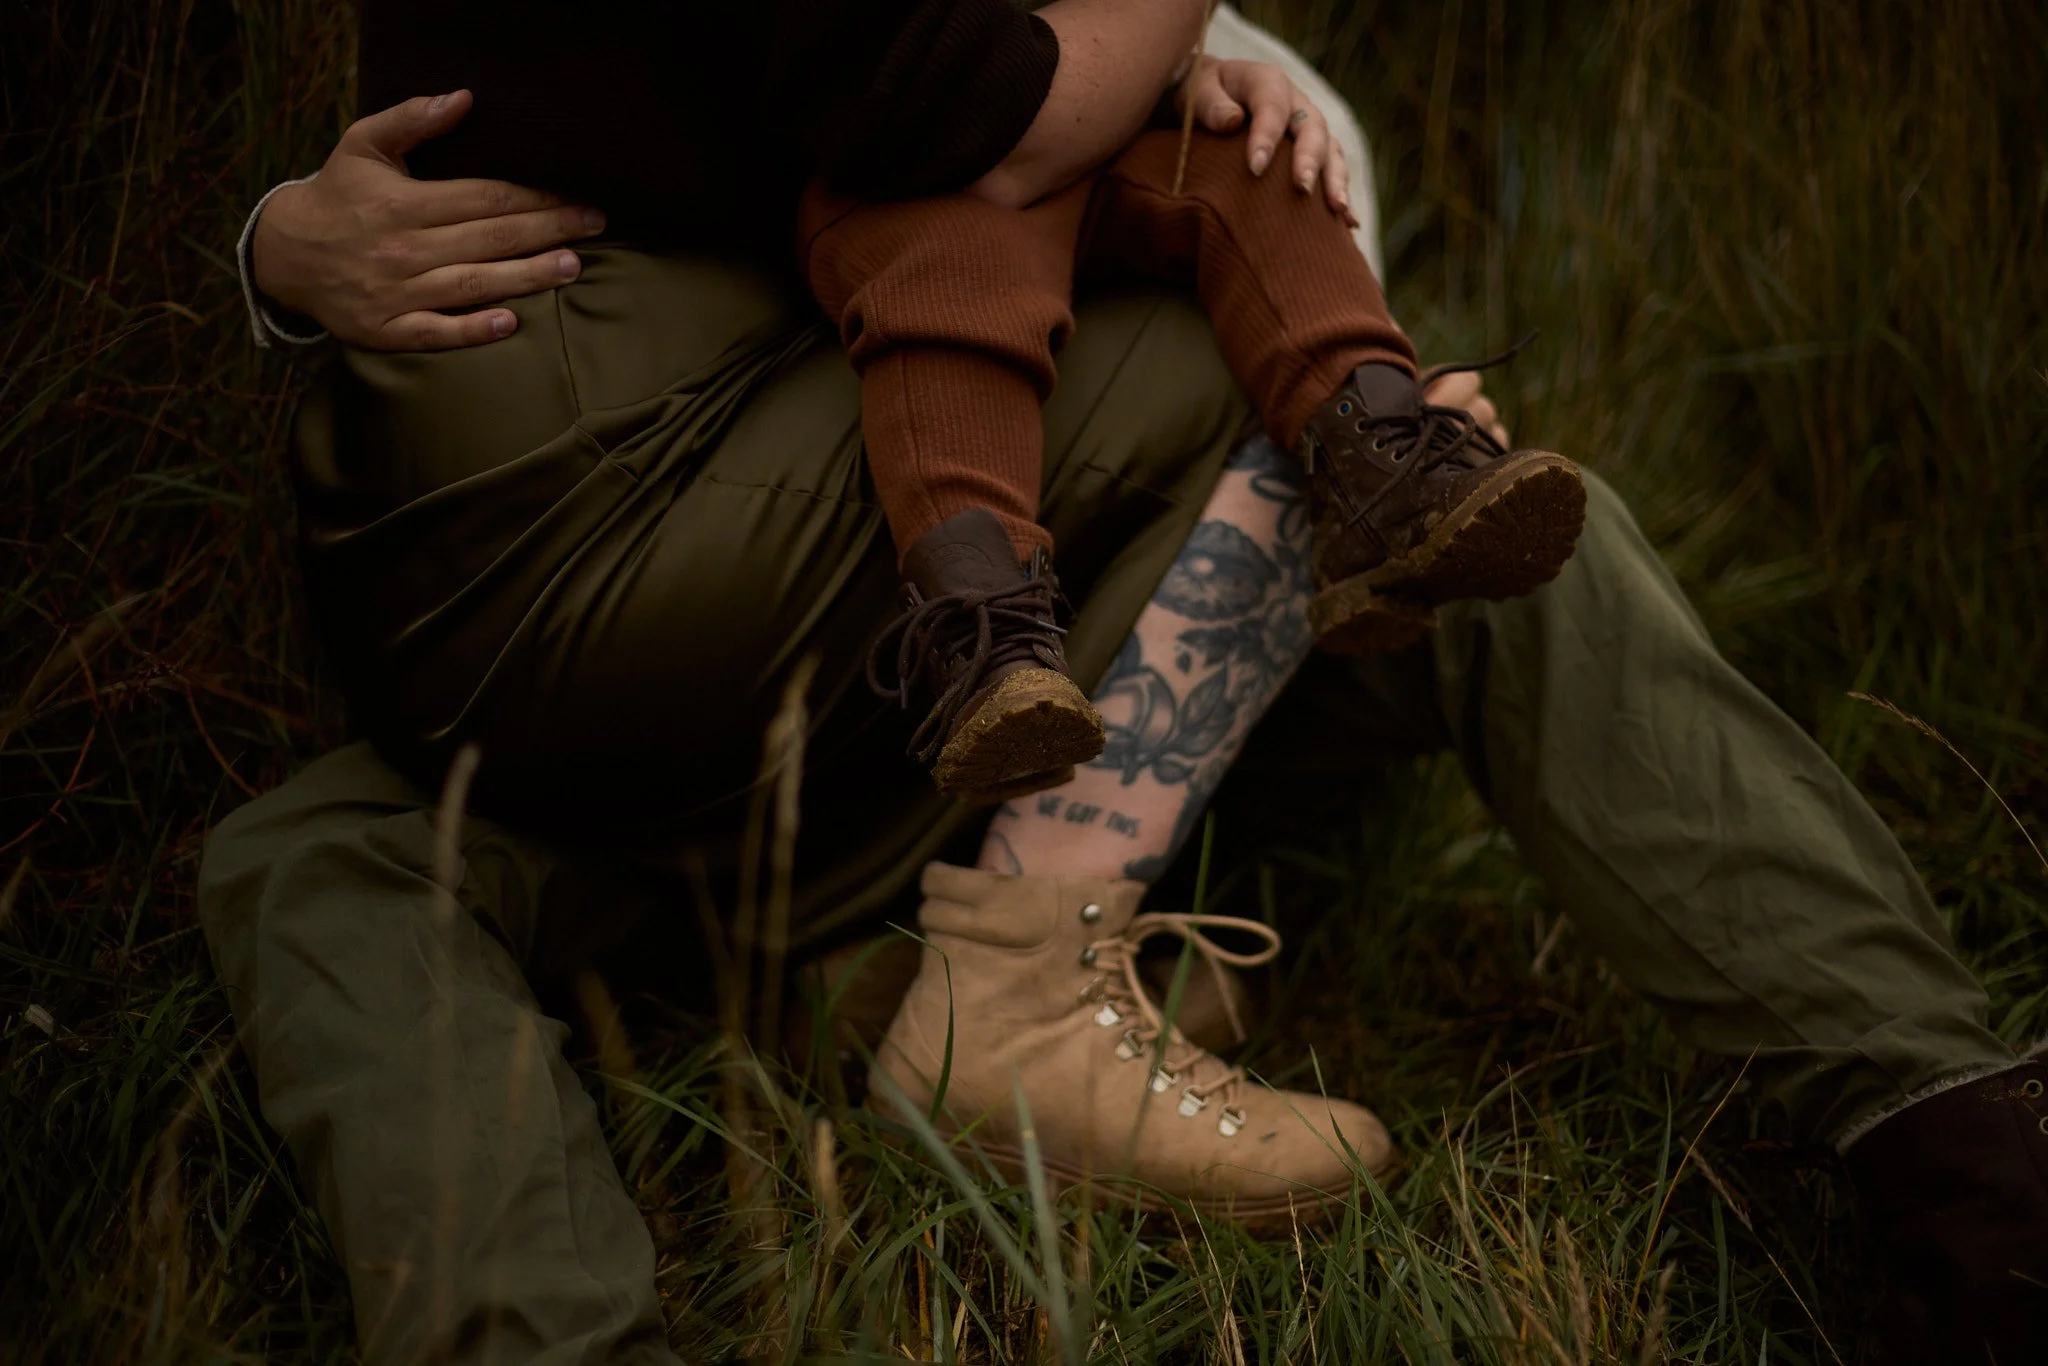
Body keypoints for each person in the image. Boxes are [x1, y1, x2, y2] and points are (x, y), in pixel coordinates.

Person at [208, 5, 2046, 1363]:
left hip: (783, 612)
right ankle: (981, 999)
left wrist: (1218, 118)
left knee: (1468, 531)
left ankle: (1969, 1164)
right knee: (1321, 428)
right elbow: (936, 99)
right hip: (634, 514)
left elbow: (1139, 137)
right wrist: (275, 243)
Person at [800, 57, 1585, 802]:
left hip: (1084, 131)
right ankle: (988, 631)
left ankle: (1379, 480)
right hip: (908, 163)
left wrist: (1181, 79)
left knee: (1257, 161)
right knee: (954, 287)